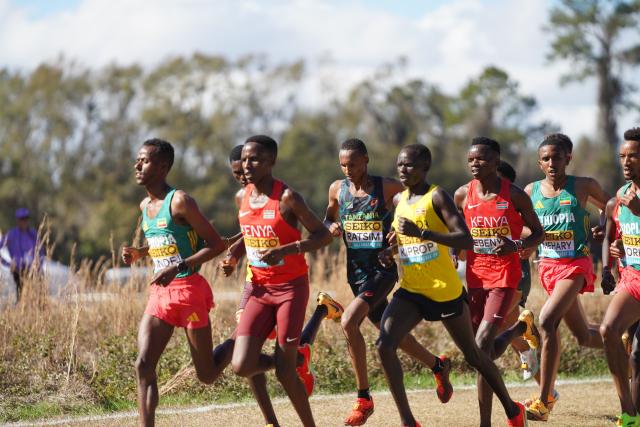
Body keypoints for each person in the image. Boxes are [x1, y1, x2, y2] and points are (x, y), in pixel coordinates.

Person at [377, 144, 527, 427]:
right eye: (399, 164)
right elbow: (402, 240)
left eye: (409, 165)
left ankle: (511, 410)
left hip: (444, 291)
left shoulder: (438, 197)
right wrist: (390, 252)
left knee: (476, 355)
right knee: (384, 344)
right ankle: (408, 421)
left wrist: (423, 232)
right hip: (411, 290)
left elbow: (466, 239)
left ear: (424, 168)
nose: (403, 169)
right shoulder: (398, 201)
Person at [323, 138, 452, 426]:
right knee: (390, 333)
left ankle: (363, 398)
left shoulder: (388, 187)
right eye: (343, 164)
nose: (347, 170)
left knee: (348, 322)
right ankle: (438, 365)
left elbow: (417, 205)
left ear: (366, 160)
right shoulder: (337, 189)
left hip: (384, 270)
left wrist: (397, 233)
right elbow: (326, 218)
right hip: (355, 273)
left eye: (353, 164)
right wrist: (329, 226)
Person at [219, 145, 343, 427]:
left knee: (286, 374)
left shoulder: (287, 198)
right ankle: (290, 358)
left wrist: (288, 250)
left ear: (271, 161)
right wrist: (233, 257)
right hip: (260, 291)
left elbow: (323, 236)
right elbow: (248, 234)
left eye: (255, 159)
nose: (247, 165)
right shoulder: (242, 196)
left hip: (290, 290)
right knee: (241, 365)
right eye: (245, 160)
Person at [121, 138, 227, 427]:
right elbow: (166, 245)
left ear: (163, 166)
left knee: (206, 375)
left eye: (144, 160)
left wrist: (179, 266)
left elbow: (216, 245)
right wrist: (140, 253)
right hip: (160, 295)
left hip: (188, 291)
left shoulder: (180, 201)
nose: (137, 165)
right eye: (137, 160)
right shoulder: (145, 205)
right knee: (143, 365)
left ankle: (236, 346)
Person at [454, 137, 544, 426]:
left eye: (481, 159)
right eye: (471, 159)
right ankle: (520, 327)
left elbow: (538, 233)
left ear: (495, 162)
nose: (474, 164)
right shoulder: (462, 195)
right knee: (481, 355)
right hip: (475, 278)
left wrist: (515, 247)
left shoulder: (515, 195)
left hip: (505, 277)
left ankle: (504, 413)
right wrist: (454, 252)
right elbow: (459, 232)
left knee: (480, 347)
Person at [523, 133, 609, 421]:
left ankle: (545, 401)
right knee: (584, 336)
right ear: (539, 162)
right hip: (547, 267)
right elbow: (525, 229)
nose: (551, 163)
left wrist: (602, 229)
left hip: (576, 264)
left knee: (546, 321)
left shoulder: (583, 186)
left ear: (567, 159)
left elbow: (613, 208)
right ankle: (626, 342)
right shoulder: (531, 191)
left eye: (556, 158)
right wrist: (522, 242)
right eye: (545, 159)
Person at [600, 128, 640, 427]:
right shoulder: (621, 195)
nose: (626, 162)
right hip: (633, 278)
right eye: (622, 156)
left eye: (633, 156)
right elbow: (623, 236)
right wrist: (618, 247)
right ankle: (628, 412)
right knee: (608, 330)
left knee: (638, 356)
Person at [0, 208, 44, 302]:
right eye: (22, 219)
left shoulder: (33, 234)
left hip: (34, 270)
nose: (24, 221)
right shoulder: (11, 235)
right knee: (22, 297)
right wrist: (7, 264)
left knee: (37, 298)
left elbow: (41, 251)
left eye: (26, 219)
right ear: (17, 220)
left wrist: (39, 265)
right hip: (18, 270)